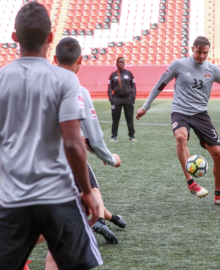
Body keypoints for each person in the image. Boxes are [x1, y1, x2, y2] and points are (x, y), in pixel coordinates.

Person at [0, 3, 101, 270]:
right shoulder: (65, 81)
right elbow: (73, 144)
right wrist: (87, 191)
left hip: (14, 202)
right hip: (60, 199)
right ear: (51, 38)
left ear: (14, 37)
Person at [136, 36, 220, 207]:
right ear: (192, 49)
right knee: (180, 138)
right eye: (199, 52)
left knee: (219, 155)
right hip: (180, 112)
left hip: (201, 114)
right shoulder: (178, 65)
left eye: (205, 53)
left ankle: (218, 196)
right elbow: (160, 84)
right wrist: (145, 106)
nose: (201, 56)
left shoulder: (213, 69)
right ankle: (191, 183)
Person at [55, 37, 127, 244]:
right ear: (80, 60)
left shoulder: (37, 85)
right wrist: (110, 158)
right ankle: (98, 221)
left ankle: (109, 218)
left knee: (71, 198)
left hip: (36, 158)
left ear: (54, 59)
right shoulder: (79, 92)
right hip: (66, 153)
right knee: (91, 190)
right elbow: (93, 138)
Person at [108, 57, 137, 142]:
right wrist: (111, 97)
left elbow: (133, 86)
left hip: (128, 98)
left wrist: (133, 96)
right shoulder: (113, 75)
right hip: (116, 98)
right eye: (119, 62)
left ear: (124, 64)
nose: (120, 63)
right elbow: (110, 87)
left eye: (122, 62)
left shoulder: (129, 74)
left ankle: (132, 137)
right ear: (116, 63)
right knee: (115, 119)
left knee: (129, 119)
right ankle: (114, 137)